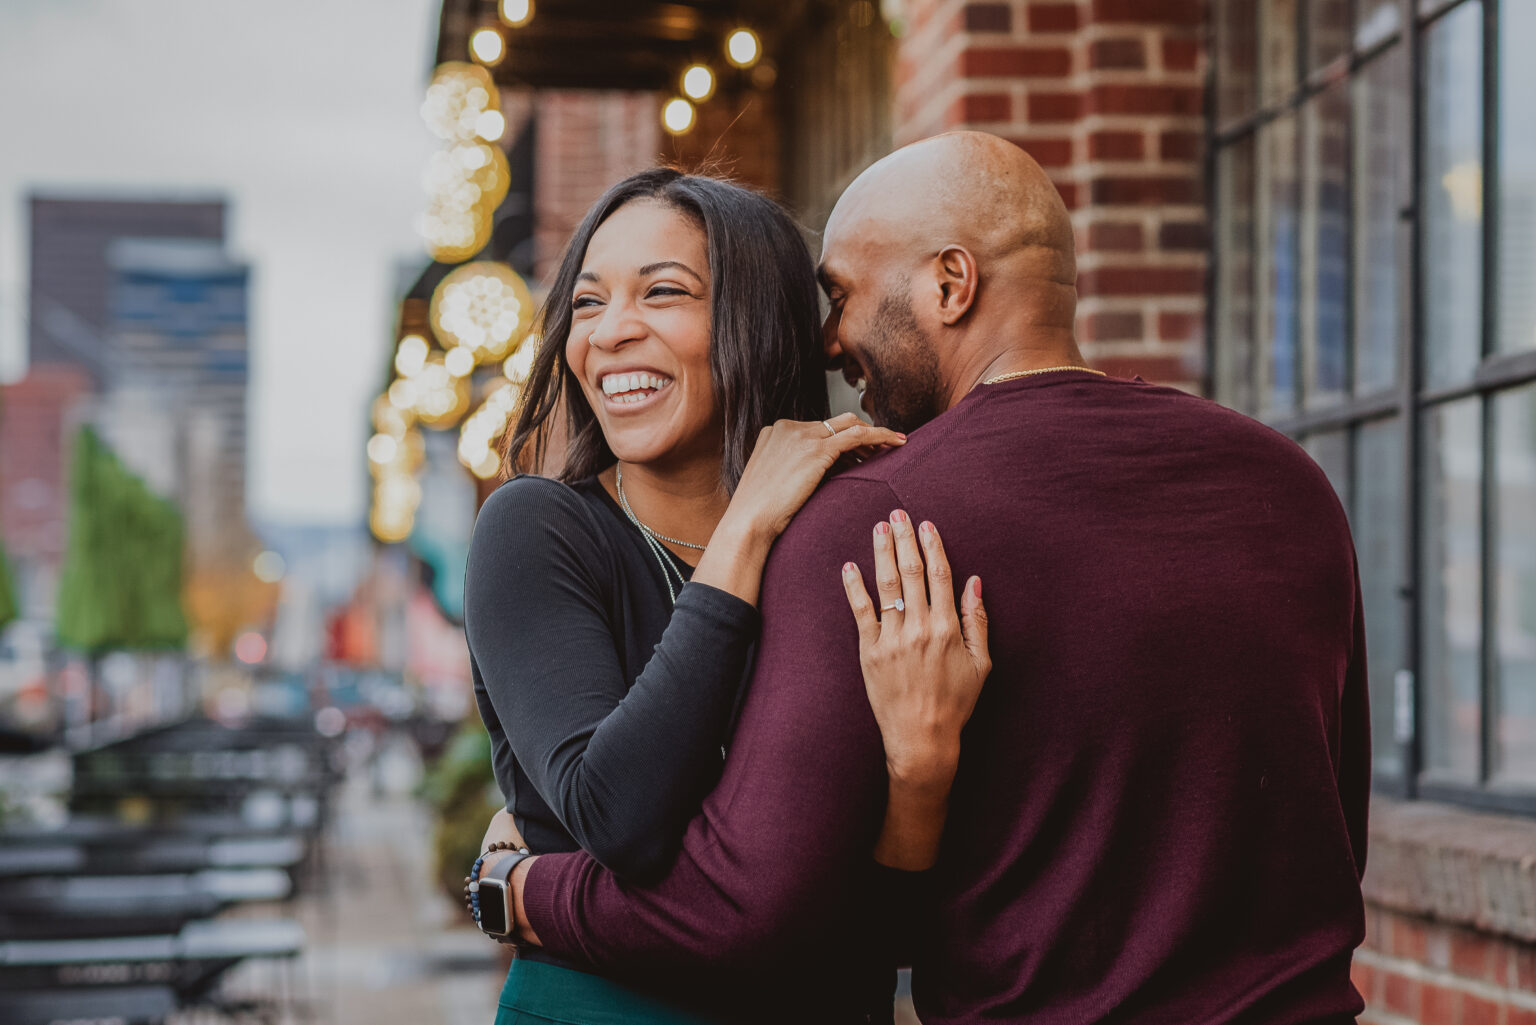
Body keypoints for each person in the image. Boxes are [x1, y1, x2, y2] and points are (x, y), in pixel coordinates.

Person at [484, 132, 1371, 1024]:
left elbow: (775, 909)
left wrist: (523, 889)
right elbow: (1341, 832)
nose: (829, 341)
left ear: (950, 284)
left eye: (841, 296)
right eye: (587, 301)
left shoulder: (876, 518)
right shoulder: (1291, 483)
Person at [463, 167, 991, 1025]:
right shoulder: (537, 531)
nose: (612, 332)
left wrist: (919, 771)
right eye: (589, 303)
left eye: (663, 292)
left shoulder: (847, 545)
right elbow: (616, 813)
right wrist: (745, 531)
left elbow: (883, 922)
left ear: (753, 323)